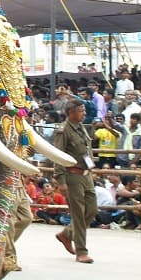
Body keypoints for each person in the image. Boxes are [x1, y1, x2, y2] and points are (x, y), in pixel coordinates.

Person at [52, 99, 97, 264]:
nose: (84, 113)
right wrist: (61, 180)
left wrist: (92, 168)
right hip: (72, 176)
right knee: (78, 214)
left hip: (86, 175)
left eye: (84, 110)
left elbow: (86, 150)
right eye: (81, 111)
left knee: (91, 210)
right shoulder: (63, 131)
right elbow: (58, 156)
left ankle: (67, 234)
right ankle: (81, 251)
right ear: (71, 112)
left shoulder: (81, 128)